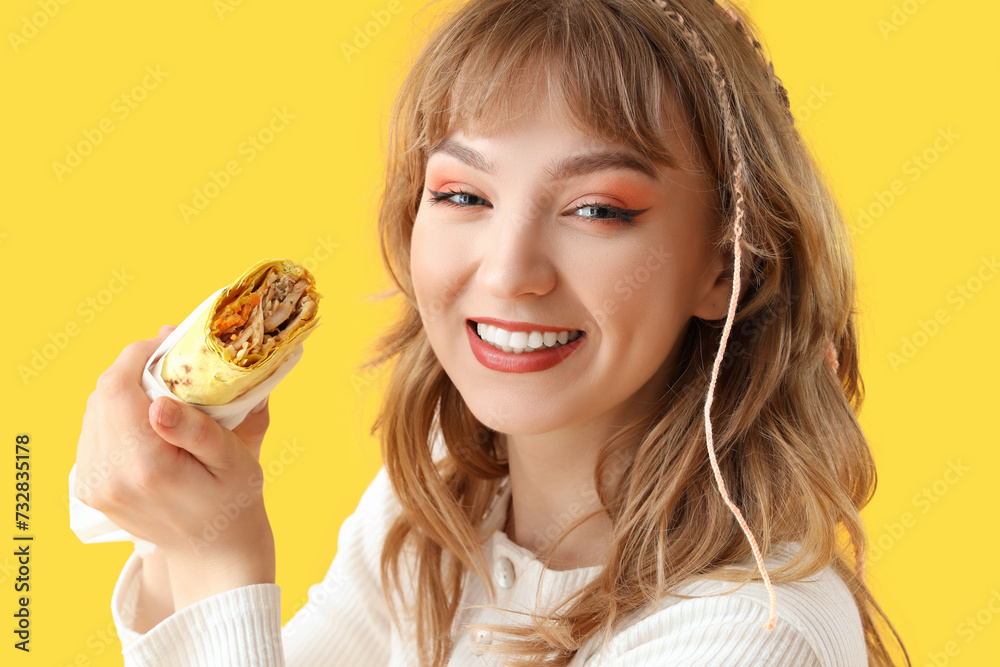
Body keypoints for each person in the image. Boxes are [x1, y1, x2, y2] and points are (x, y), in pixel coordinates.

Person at [74, 0, 912, 664]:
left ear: (727, 268)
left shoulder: (752, 635)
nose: (510, 271)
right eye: (464, 195)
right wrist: (170, 527)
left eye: (597, 209)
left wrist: (222, 561)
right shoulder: (436, 517)